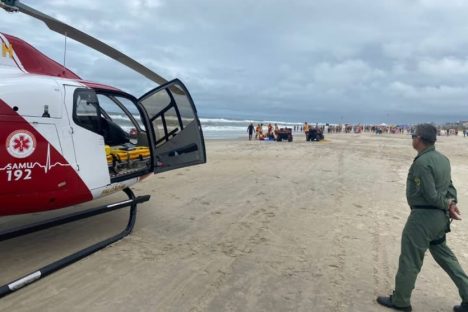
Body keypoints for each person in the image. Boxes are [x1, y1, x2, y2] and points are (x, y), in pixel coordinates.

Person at [377, 124, 468, 312]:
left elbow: (431, 195)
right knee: (446, 257)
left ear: (419, 139)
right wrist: (451, 203)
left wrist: (447, 204)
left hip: (423, 218)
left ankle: (401, 300)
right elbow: (450, 188)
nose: (412, 138)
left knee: (410, 258)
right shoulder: (443, 159)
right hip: (439, 219)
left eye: (413, 135)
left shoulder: (422, 162)